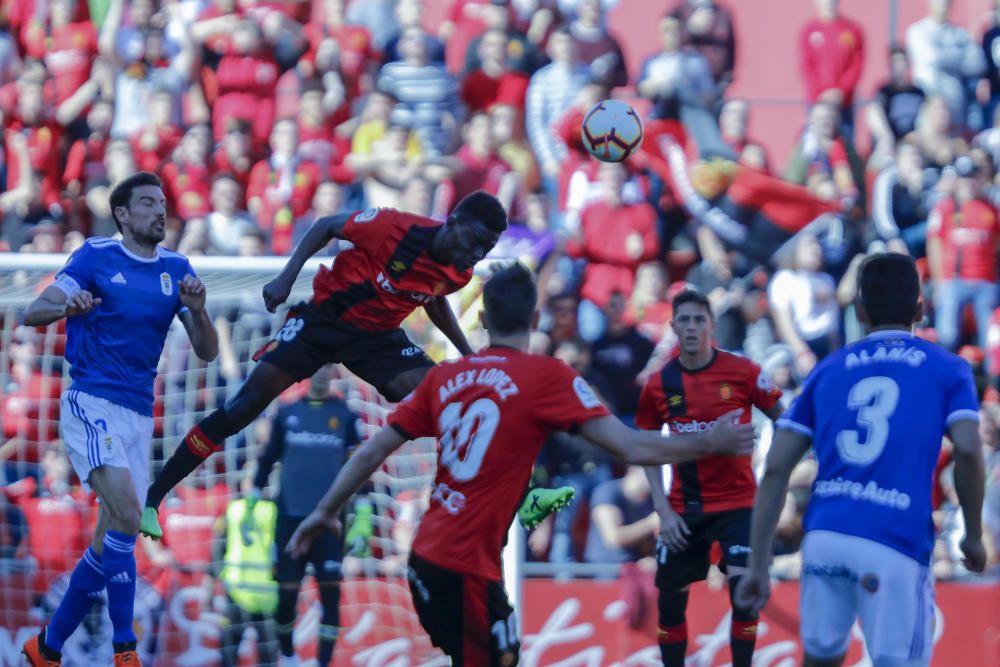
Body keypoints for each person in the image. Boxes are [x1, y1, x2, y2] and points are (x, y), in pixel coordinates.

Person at [286, 262, 756, 666]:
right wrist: (710, 441)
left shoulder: (445, 377)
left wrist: (326, 510)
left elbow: (371, 449)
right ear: (533, 317)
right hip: (464, 564)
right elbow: (632, 447)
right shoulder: (545, 377)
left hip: (430, 557)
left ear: (484, 318)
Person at [139, 191, 563, 540]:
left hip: (378, 341)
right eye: (472, 240)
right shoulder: (396, 227)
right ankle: (153, 496)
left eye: (483, 249)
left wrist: (465, 351)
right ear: (452, 221)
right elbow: (326, 225)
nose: (473, 253)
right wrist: (287, 278)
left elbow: (433, 298)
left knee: (458, 401)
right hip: (323, 321)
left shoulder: (461, 270)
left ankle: (522, 496)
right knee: (242, 407)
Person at [735, 253, 987, 667]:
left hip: (826, 537)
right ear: (920, 309)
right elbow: (968, 448)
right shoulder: (948, 368)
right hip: (896, 539)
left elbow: (776, 468)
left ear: (860, 309)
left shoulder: (827, 369)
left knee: (820, 660)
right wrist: (972, 534)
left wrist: (760, 563)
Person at [20, 171, 219, 667]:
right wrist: (68, 303)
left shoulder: (177, 268)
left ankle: (46, 648)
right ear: (124, 215)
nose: (160, 211)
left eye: (163, 202)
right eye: (148, 203)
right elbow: (33, 311)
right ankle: (124, 648)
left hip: (137, 416)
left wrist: (200, 309)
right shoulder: (95, 256)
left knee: (110, 538)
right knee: (130, 516)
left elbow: (208, 352)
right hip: (91, 403)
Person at [637, 288, 785, 667]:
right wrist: (662, 511)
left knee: (744, 598)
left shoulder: (744, 372)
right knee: (669, 605)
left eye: (699, 319)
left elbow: (787, 423)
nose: (691, 327)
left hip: (739, 505)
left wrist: (775, 477)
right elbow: (645, 449)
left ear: (712, 326)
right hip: (684, 508)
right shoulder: (659, 385)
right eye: (683, 320)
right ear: (673, 326)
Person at [247, 365, 368, 667]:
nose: (322, 372)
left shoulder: (347, 416)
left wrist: (363, 516)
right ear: (308, 371)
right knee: (286, 598)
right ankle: (287, 656)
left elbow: (361, 467)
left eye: (328, 367)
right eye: (317, 366)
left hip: (330, 522)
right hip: (289, 519)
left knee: (330, 596)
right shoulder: (287, 413)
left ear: (335, 371)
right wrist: (251, 503)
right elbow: (267, 459)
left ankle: (322, 664)